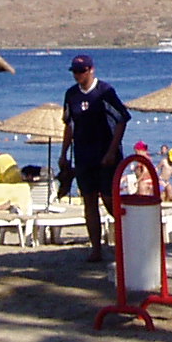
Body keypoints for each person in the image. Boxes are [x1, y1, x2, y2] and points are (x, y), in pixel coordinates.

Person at [61, 54, 130, 263]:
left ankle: (126, 241)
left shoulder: (104, 92)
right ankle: (96, 249)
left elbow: (122, 119)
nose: (77, 75)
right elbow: (69, 125)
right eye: (74, 71)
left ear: (91, 70)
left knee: (109, 199)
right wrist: (63, 153)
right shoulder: (71, 95)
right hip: (83, 154)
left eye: (81, 71)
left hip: (105, 154)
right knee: (89, 200)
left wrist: (112, 151)